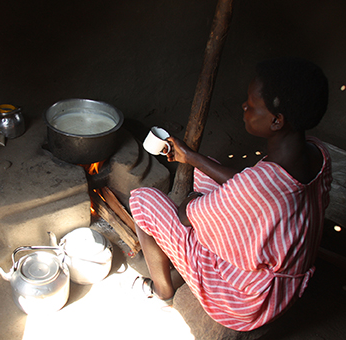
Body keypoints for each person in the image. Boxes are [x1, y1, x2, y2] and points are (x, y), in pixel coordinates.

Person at [129, 57, 333, 331]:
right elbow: (250, 185)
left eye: (252, 104)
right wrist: (192, 157)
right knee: (203, 172)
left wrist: (192, 202)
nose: (244, 107)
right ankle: (186, 265)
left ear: (276, 121)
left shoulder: (257, 186)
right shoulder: (316, 152)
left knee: (143, 200)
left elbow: (187, 215)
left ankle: (163, 290)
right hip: (283, 279)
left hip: (245, 301)